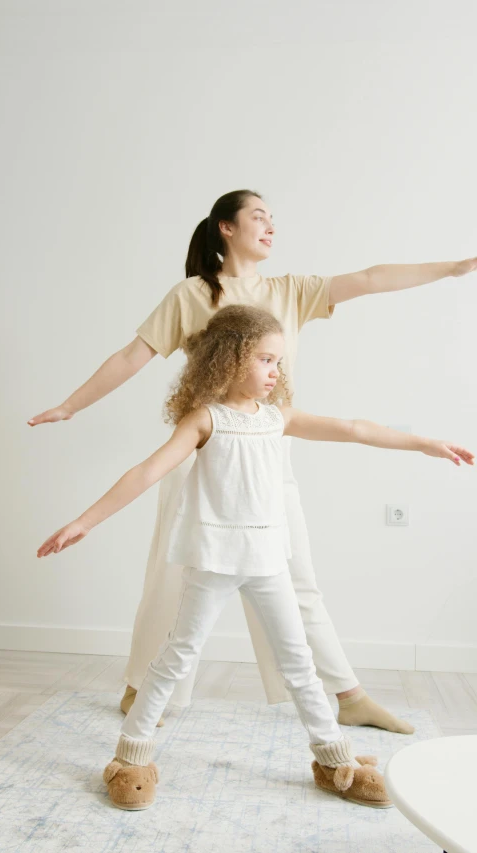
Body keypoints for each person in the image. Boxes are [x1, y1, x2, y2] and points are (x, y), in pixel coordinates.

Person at [28, 189, 477, 736]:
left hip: (267, 450)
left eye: (273, 219)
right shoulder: (191, 295)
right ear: (225, 227)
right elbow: (130, 357)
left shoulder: (293, 291)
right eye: (258, 217)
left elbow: (372, 277)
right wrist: (70, 406)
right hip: (200, 451)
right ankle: (139, 687)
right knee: (174, 576)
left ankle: (347, 694)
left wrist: (455, 268)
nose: (270, 226)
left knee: (298, 578)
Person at [37, 305, 473, 811]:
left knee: (299, 664)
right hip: (215, 560)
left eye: (278, 362)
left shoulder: (278, 418)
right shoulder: (205, 420)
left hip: (268, 560)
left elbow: (354, 428)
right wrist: (85, 521)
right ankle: (131, 758)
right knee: (177, 656)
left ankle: (335, 761)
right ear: (228, 359)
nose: (275, 372)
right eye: (265, 360)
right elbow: (147, 471)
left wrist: (424, 444)